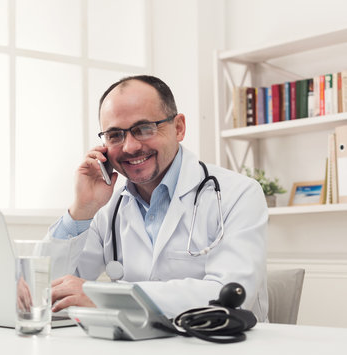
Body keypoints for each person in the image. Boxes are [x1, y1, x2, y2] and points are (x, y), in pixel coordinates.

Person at [45, 75, 268, 321]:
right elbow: (46, 290)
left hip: (219, 346)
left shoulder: (238, 194)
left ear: (179, 128)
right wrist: (82, 209)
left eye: (143, 129)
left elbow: (229, 296)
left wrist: (104, 297)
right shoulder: (106, 207)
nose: (130, 147)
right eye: (115, 135)